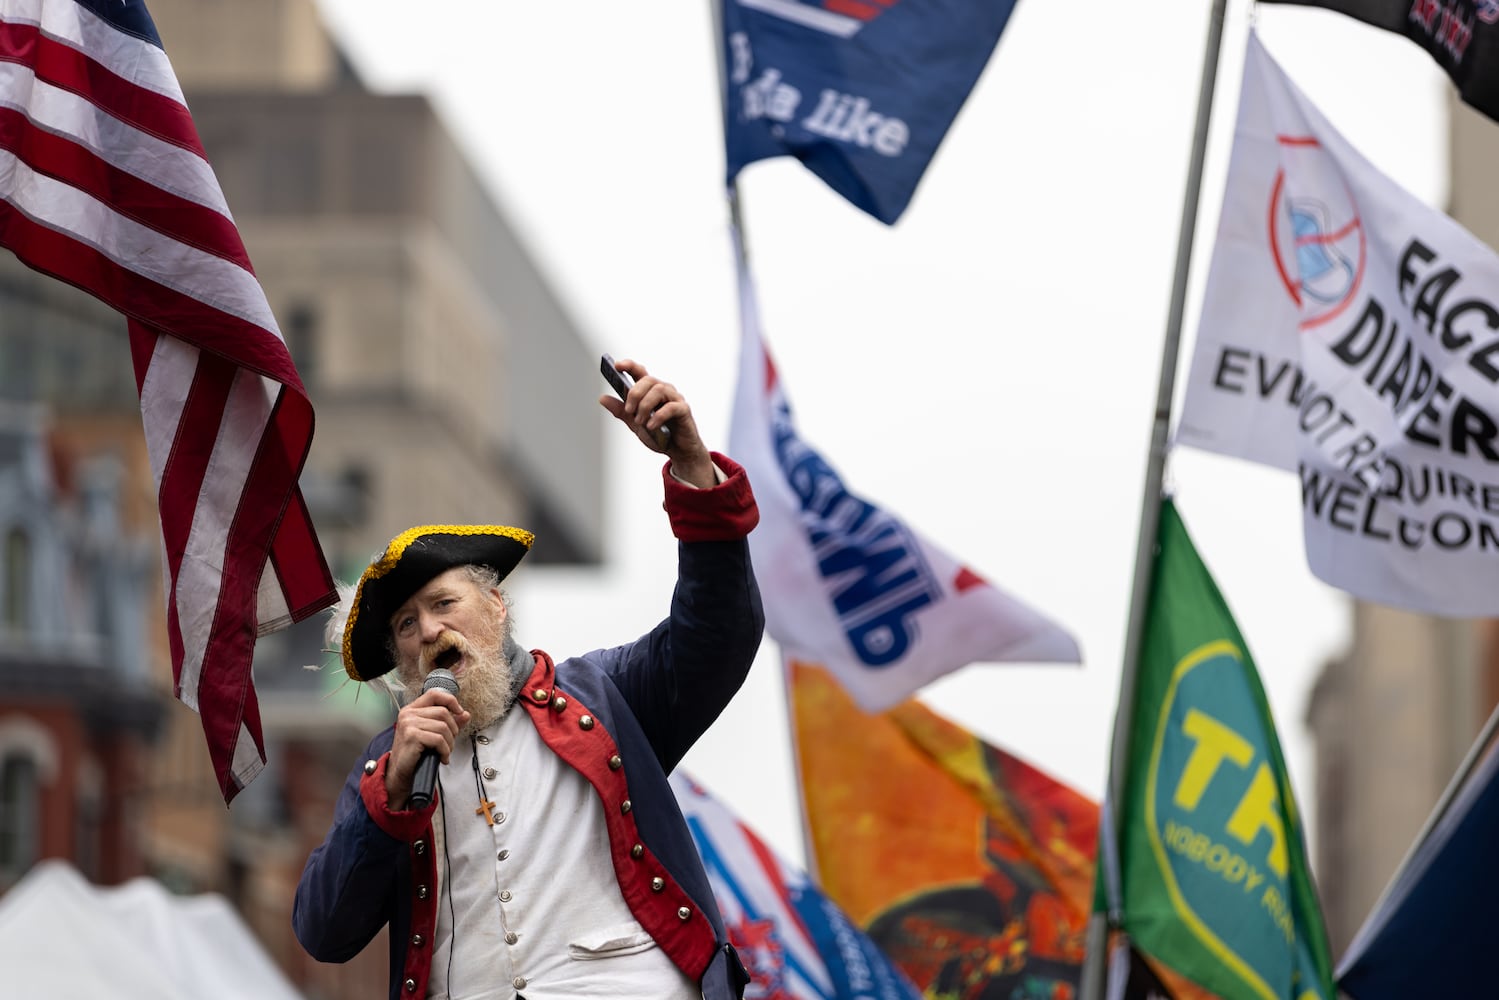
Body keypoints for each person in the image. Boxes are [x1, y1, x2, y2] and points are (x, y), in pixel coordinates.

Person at [292, 359, 763, 1000]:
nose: (427, 630)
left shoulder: (605, 692)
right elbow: (324, 932)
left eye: (443, 604)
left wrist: (691, 470)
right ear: (401, 664)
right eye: (405, 625)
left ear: (497, 607)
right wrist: (392, 797)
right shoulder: (386, 770)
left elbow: (719, 632)